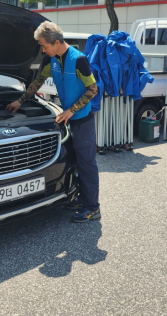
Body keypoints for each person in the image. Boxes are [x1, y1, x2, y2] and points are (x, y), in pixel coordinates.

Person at [6, 21, 100, 223]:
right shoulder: (52, 60)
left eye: (44, 46)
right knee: (74, 162)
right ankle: (82, 199)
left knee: (87, 164)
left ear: (57, 42)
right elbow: (38, 81)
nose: (42, 49)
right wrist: (20, 101)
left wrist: (70, 111)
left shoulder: (79, 60)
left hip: (82, 120)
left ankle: (92, 207)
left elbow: (93, 90)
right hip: (66, 119)